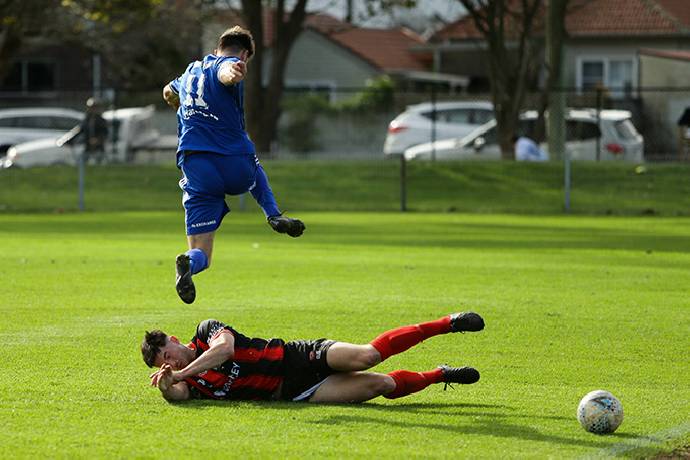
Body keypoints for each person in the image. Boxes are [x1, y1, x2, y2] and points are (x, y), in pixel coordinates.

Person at [162, 26, 305, 305]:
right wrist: (233, 73)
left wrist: (181, 105)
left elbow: (168, 91)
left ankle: (188, 264)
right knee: (253, 167)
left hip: (195, 166)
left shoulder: (190, 71)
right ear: (245, 54)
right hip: (231, 160)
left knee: (202, 252)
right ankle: (273, 214)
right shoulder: (230, 63)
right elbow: (226, 72)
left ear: (218, 46)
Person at [142, 311, 485, 403]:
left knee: (367, 356)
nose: (169, 364)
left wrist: (183, 371)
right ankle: (440, 375)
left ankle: (447, 324)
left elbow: (226, 349)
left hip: (297, 357)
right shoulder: (188, 381)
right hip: (293, 392)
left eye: (167, 356)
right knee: (381, 384)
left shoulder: (205, 331)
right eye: (164, 365)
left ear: (174, 340)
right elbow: (179, 394)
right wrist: (168, 385)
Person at [81, 97, 108, 164]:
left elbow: (105, 133)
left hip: (99, 147)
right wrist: (67, 141)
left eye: (94, 107)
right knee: (84, 164)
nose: (92, 109)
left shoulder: (101, 121)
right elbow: (79, 131)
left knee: (98, 163)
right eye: (91, 107)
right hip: (88, 147)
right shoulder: (86, 120)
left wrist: (98, 140)